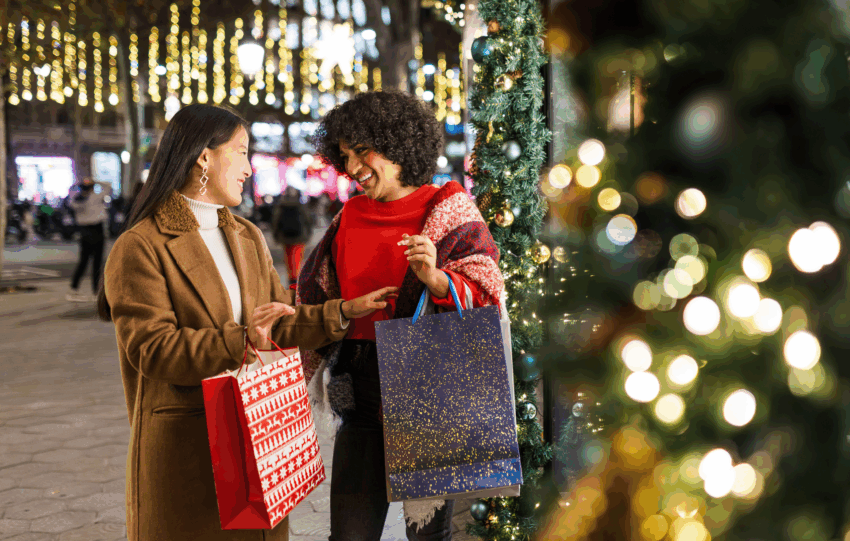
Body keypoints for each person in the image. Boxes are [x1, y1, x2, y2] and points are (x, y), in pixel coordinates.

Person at [95, 103, 398, 541]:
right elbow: (153, 351)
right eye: (240, 152)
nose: (248, 168)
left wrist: (343, 311)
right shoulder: (140, 246)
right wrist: (241, 339)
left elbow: (275, 321)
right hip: (190, 448)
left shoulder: (245, 234)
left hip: (259, 436)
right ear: (204, 156)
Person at [298, 90, 505, 541]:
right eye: (345, 155)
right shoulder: (349, 215)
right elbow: (317, 294)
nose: (352, 167)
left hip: (428, 384)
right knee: (349, 535)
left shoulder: (448, 210)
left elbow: (488, 295)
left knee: (427, 536)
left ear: (397, 144)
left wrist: (436, 279)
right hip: (360, 386)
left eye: (361, 151)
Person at [66, 177, 111, 301]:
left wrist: (78, 184)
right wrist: (96, 181)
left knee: (86, 261)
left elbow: (70, 193)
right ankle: (94, 291)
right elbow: (108, 186)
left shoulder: (76, 200)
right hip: (95, 230)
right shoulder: (93, 197)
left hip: (87, 230)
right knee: (94, 261)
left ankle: (75, 288)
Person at [272, 186, 313, 285]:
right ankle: (296, 278)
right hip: (300, 236)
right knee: (297, 257)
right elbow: (308, 220)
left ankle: (291, 278)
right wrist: (308, 234)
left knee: (289, 257)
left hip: (285, 237)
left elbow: (276, 221)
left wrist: (276, 235)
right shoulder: (301, 205)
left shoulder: (281, 206)